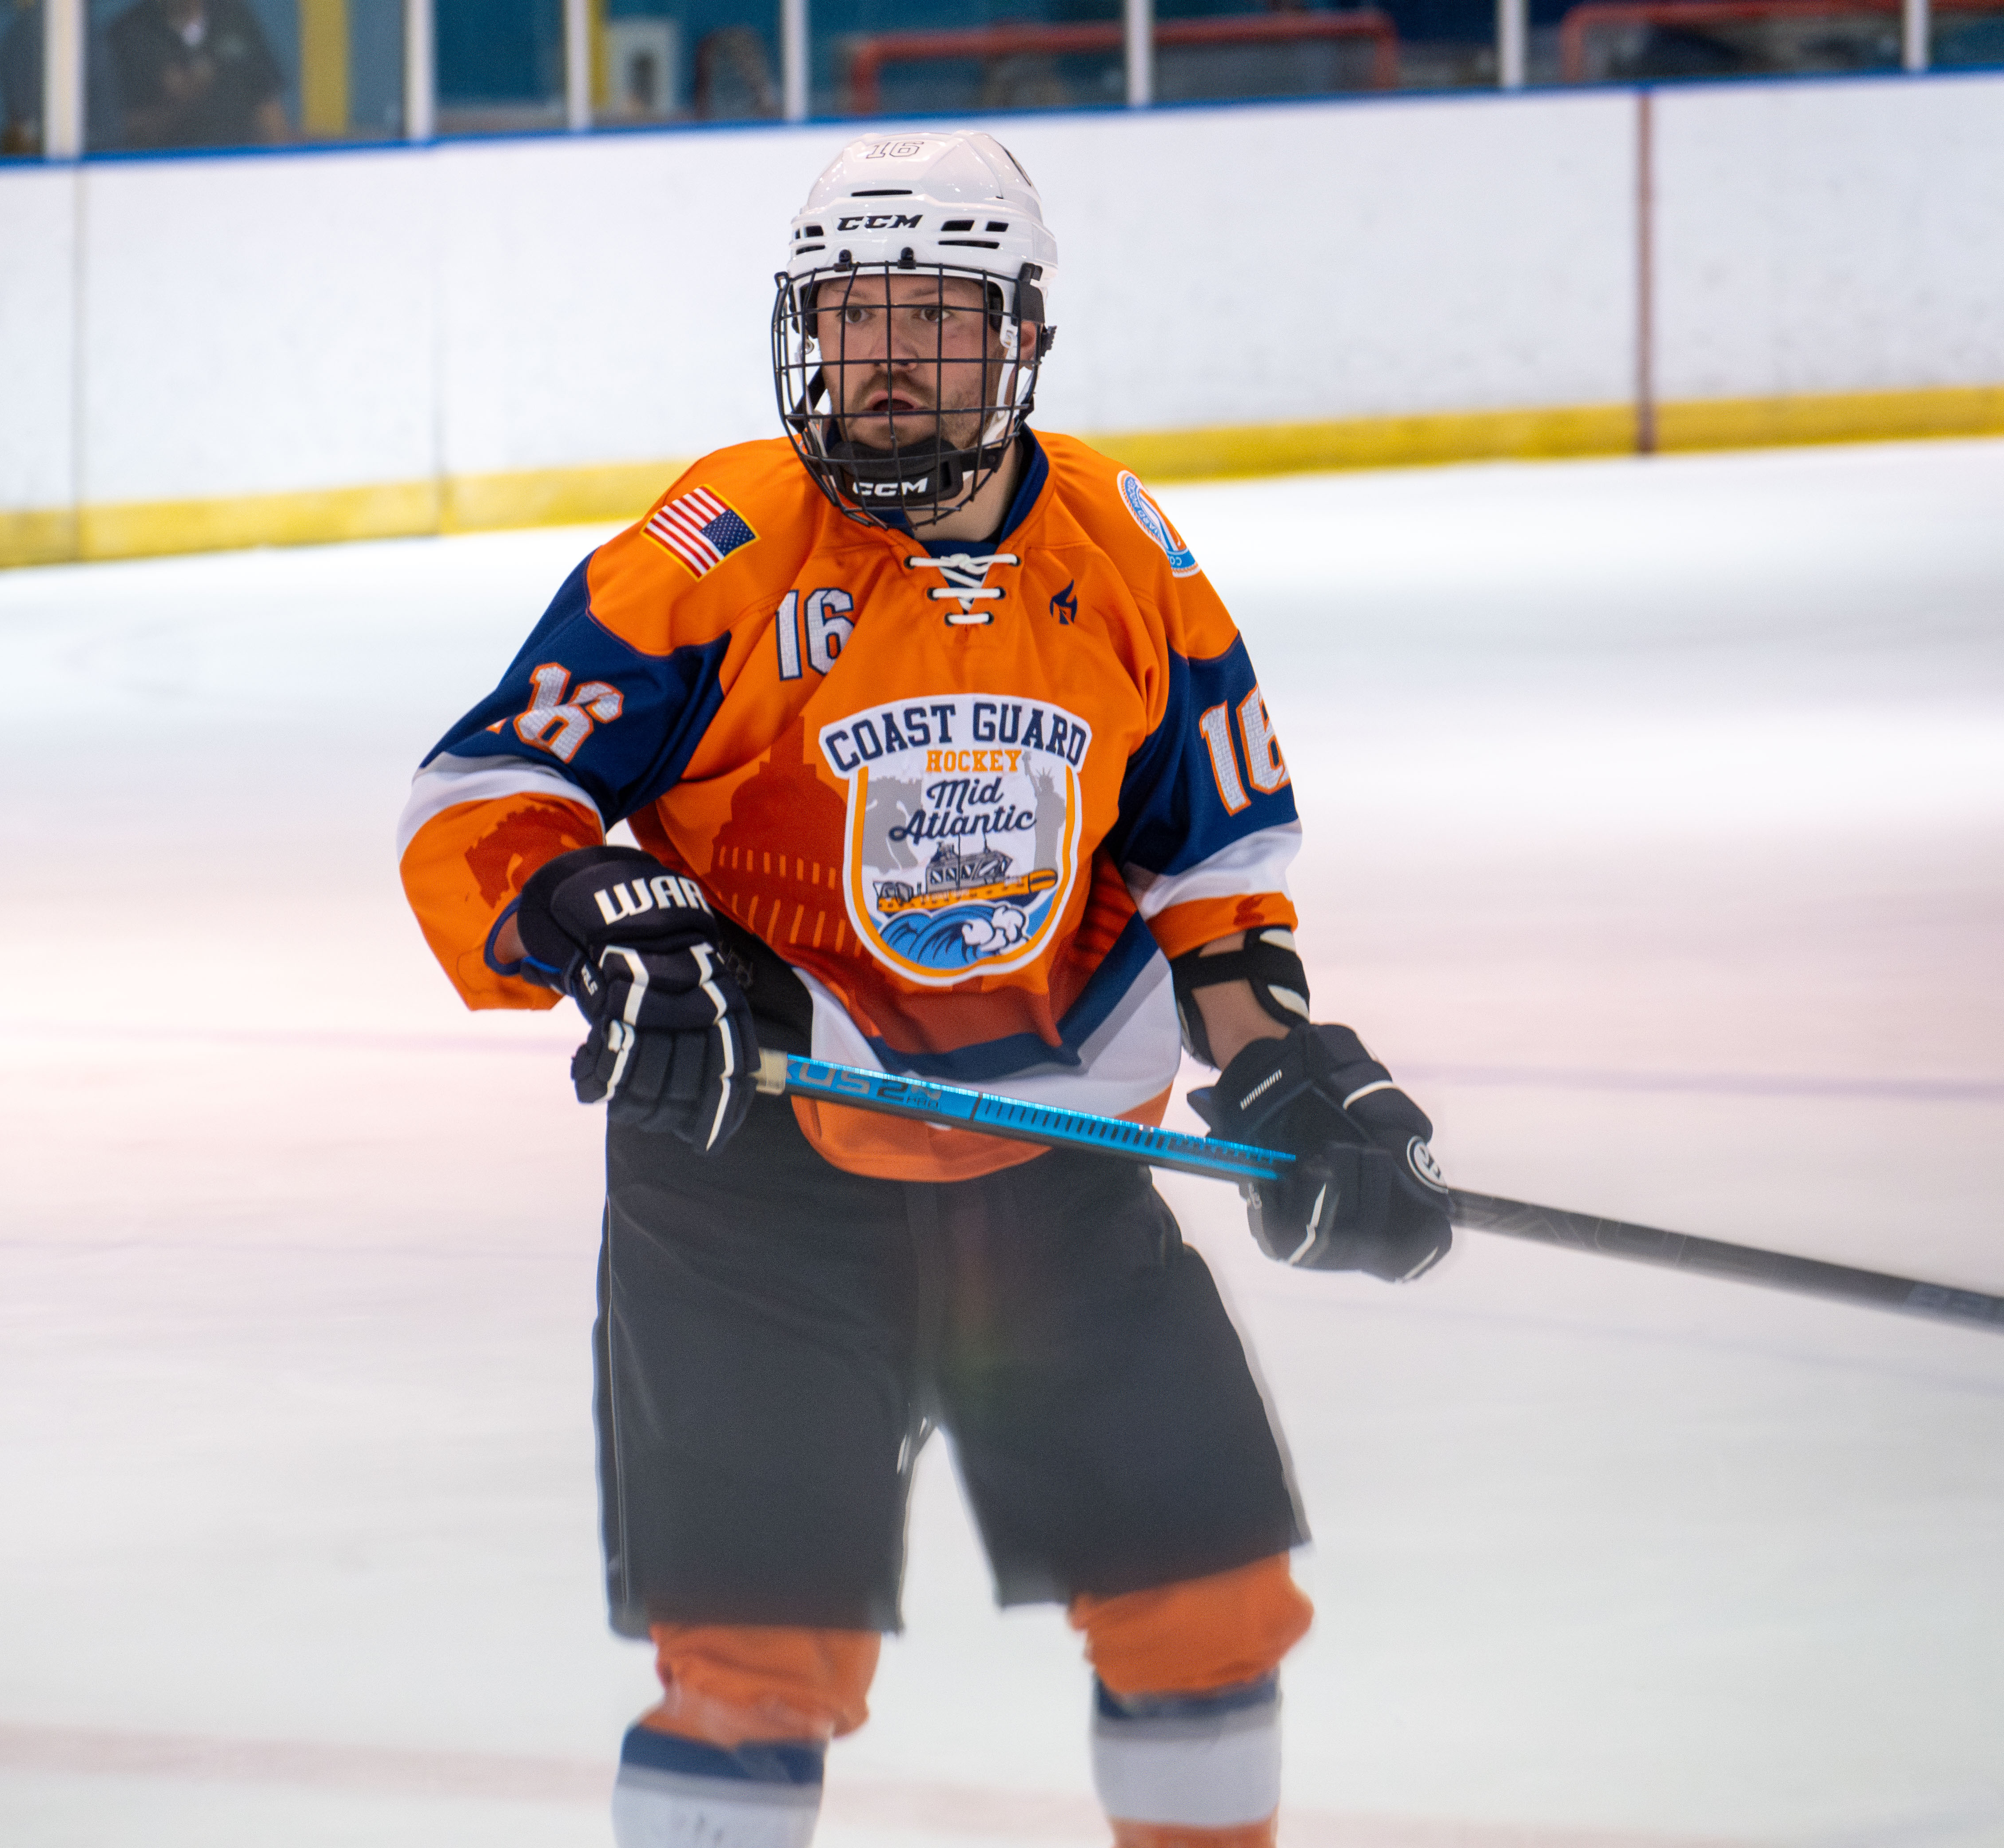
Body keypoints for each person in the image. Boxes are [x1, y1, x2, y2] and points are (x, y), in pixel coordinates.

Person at [396, 130, 1454, 1848]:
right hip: (754, 1171)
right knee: (753, 1666)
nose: (883, 361)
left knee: (1206, 1609)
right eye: (848, 318)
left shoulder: (1122, 548)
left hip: (1053, 1168)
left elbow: (1207, 863)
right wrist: (618, 920)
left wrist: (1286, 1066)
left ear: (1021, 334)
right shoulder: (724, 535)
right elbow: (485, 798)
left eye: (935, 322)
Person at [105, 0, 286, 150]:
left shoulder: (234, 18)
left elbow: (268, 108)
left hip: (238, 165)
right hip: (160, 172)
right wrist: (182, 102)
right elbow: (120, 131)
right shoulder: (131, 33)